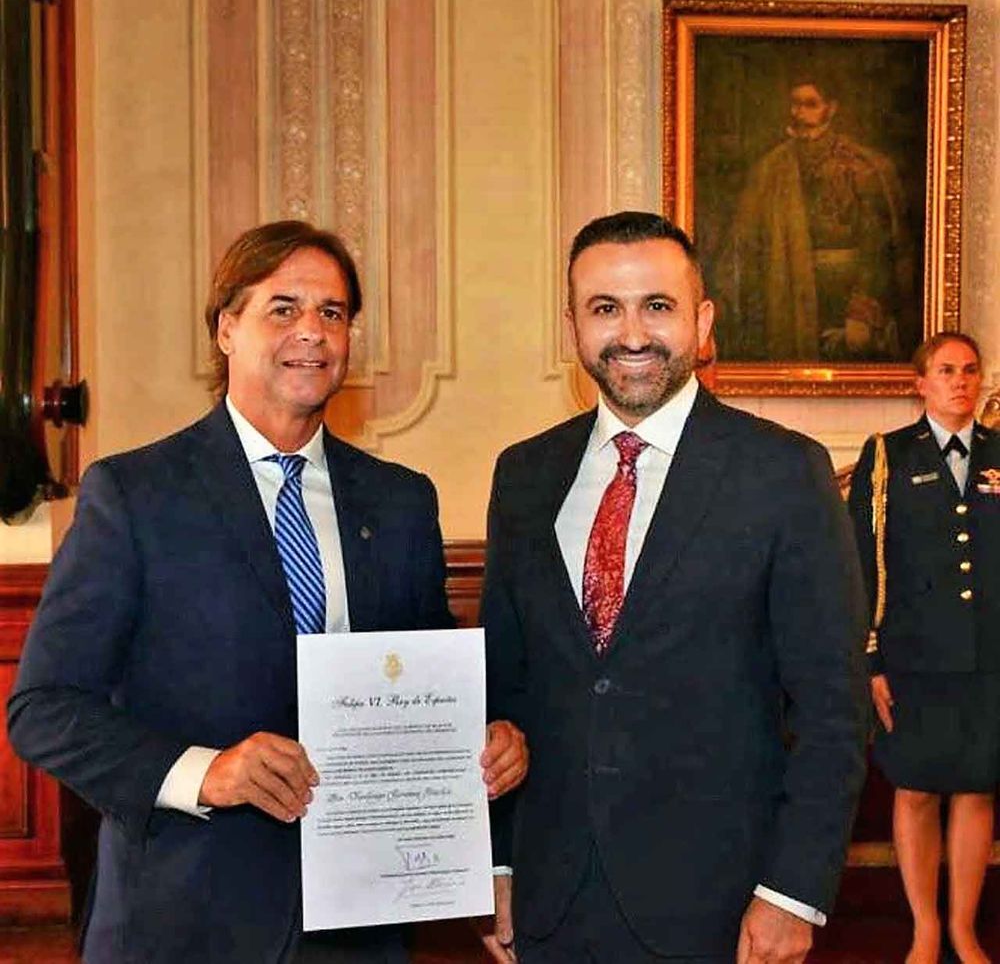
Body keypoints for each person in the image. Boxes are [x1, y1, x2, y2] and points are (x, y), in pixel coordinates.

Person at [7, 221, 527, 964]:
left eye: (331, 312)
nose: (311, 331)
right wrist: (206, 771)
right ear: (226, 328)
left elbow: (427, 686)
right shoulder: (135, 494)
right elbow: (44, 709)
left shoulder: (400, 502)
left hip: (361, 922)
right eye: (283, 308)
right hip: (186, 916)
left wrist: (487, 740)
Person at [481, 211, 869, 963]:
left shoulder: (784, 472)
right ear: (573, 327)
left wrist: (793, 892)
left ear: (703, 320)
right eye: (605, 308)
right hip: (549, 902)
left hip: (720, 907)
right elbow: (502, 693)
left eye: (656, 305)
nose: (632, 333)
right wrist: (496, 866)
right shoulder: (523, 475)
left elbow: (833, 709)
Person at [848, 332, 1000, 964]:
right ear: (921, 383)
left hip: (988, 657)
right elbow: (861, 563)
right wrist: (870, 660)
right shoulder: (886, 456)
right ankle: (925, 928)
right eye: (946, 371)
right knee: (914, 791)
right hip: (912, 659)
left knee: (977, 789)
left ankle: (962, 928)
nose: (960, 381)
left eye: (970, 370)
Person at [718, 76, 914, 362]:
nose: (800, 113)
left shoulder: (862, 167)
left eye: (811, 104)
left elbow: (878, 248)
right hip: (788, 292)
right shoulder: (770, 169)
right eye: (795, 104)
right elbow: (745, 246)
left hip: (847, 297)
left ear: (831, 109)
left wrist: (861, 312)